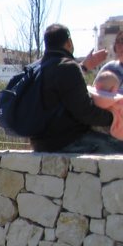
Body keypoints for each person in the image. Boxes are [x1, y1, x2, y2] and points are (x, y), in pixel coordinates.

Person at [30, 23, 122, 153]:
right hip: (67, 141)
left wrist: (83, 67)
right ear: (69, 43)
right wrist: (113, 117)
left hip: (41, 143)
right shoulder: (68, 67)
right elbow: (86, 112)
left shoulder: (37, 67)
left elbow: (65, 85)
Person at [88, 70, 123, 140]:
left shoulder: (91, 100)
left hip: (94, 133)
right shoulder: (117, 104)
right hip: (114, 136)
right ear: (113, 89)